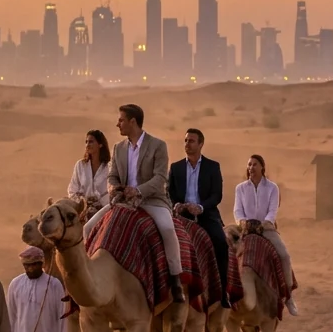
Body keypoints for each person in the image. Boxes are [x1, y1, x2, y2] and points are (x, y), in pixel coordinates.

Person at [83, 104, 186, 302]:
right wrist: (113, 188)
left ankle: (175, 279)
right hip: (123, 201)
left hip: (152, 201)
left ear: (133, 122)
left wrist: (138, 190)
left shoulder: (158, 145)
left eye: (121, 120)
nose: (117, 124)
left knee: (167, 229)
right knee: (88, 228)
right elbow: (112, 176)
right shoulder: (118, 148)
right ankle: (90, 276)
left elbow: (160, 178)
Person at [169, 128, 231, 309]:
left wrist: (200, 207)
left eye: (191, 141)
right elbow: (169, 193)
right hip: (181, 215)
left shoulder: (213, 166)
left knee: (221, 243)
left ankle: (223, 292)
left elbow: (217, 195)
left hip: (206, 214)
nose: (187, 144)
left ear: (201, 144)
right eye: (185, 140)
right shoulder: (176, 167)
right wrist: (177, 204)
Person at [233, 154, 298, 316]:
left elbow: (273, 210)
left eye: (255, 164)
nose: (251, 168)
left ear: (262, 167)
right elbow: (237, 210)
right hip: (245, 229)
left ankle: (288, 296)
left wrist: (264, 224)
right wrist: (243, 222)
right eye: (249, 164)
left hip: (266, 228)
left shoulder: (272, 188)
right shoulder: (240, 188)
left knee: (284, 255)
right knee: (227, 251)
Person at [67, 130, 111, 222]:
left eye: (91, 142)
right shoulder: (80, 165)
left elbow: (111, 191)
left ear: (100, 144)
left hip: (103, 212)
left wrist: (98, 204)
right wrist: (82, 203)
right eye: (86, 142)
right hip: (82, 212)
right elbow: (72, 190)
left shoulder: (109, 167)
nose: (87, 145)